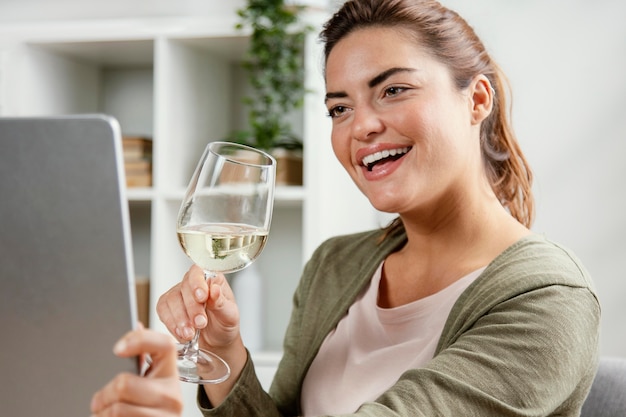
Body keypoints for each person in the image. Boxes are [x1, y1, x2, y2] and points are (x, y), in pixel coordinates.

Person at [91, 0, 601, 416]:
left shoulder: (549, 299)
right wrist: (224, 352)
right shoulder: (335, 266)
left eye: (393, 90)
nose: (361, 127)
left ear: (477, 100)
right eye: (340, 108)